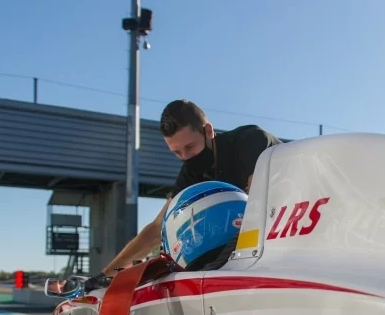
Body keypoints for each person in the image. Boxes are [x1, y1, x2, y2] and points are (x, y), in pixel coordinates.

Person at [98, 99, 281, 278]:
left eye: (190, 147)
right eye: (177, 153)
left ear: (208, 131)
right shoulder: (190, 173)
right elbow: (157, 228)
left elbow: (258, 203)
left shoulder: (250, 141)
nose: (185, 157)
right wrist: (107, 274)